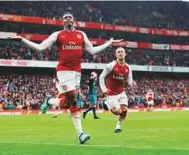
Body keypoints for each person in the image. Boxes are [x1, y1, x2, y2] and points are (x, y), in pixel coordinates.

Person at [10, 12, 123, 144]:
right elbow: (40, 48)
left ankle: (52, 103)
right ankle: (79, 132)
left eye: (69, 17)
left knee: (71, 103)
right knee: (73, 98)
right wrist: (23, 40)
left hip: (77, 73)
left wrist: (109, 43)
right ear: (63, 22)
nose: (68, 19)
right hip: (64, 72)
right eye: (65, 18)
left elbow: (92, 51)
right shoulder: (57, 35)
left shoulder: (81, 34)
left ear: (73, 20)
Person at [99, 47, 137, 133]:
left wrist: (132, 83)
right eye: (118, 52)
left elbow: (129, 81)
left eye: (122, 51)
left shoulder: (128, 67)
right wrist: (103, 88)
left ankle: (118, 127)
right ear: (116, 55)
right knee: (118, 112)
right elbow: (101, 76)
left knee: (124, 110)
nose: (120, 53)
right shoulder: (110, 65)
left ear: (125, 54)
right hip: (111, 94)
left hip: (121, 92)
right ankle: (107, 103)